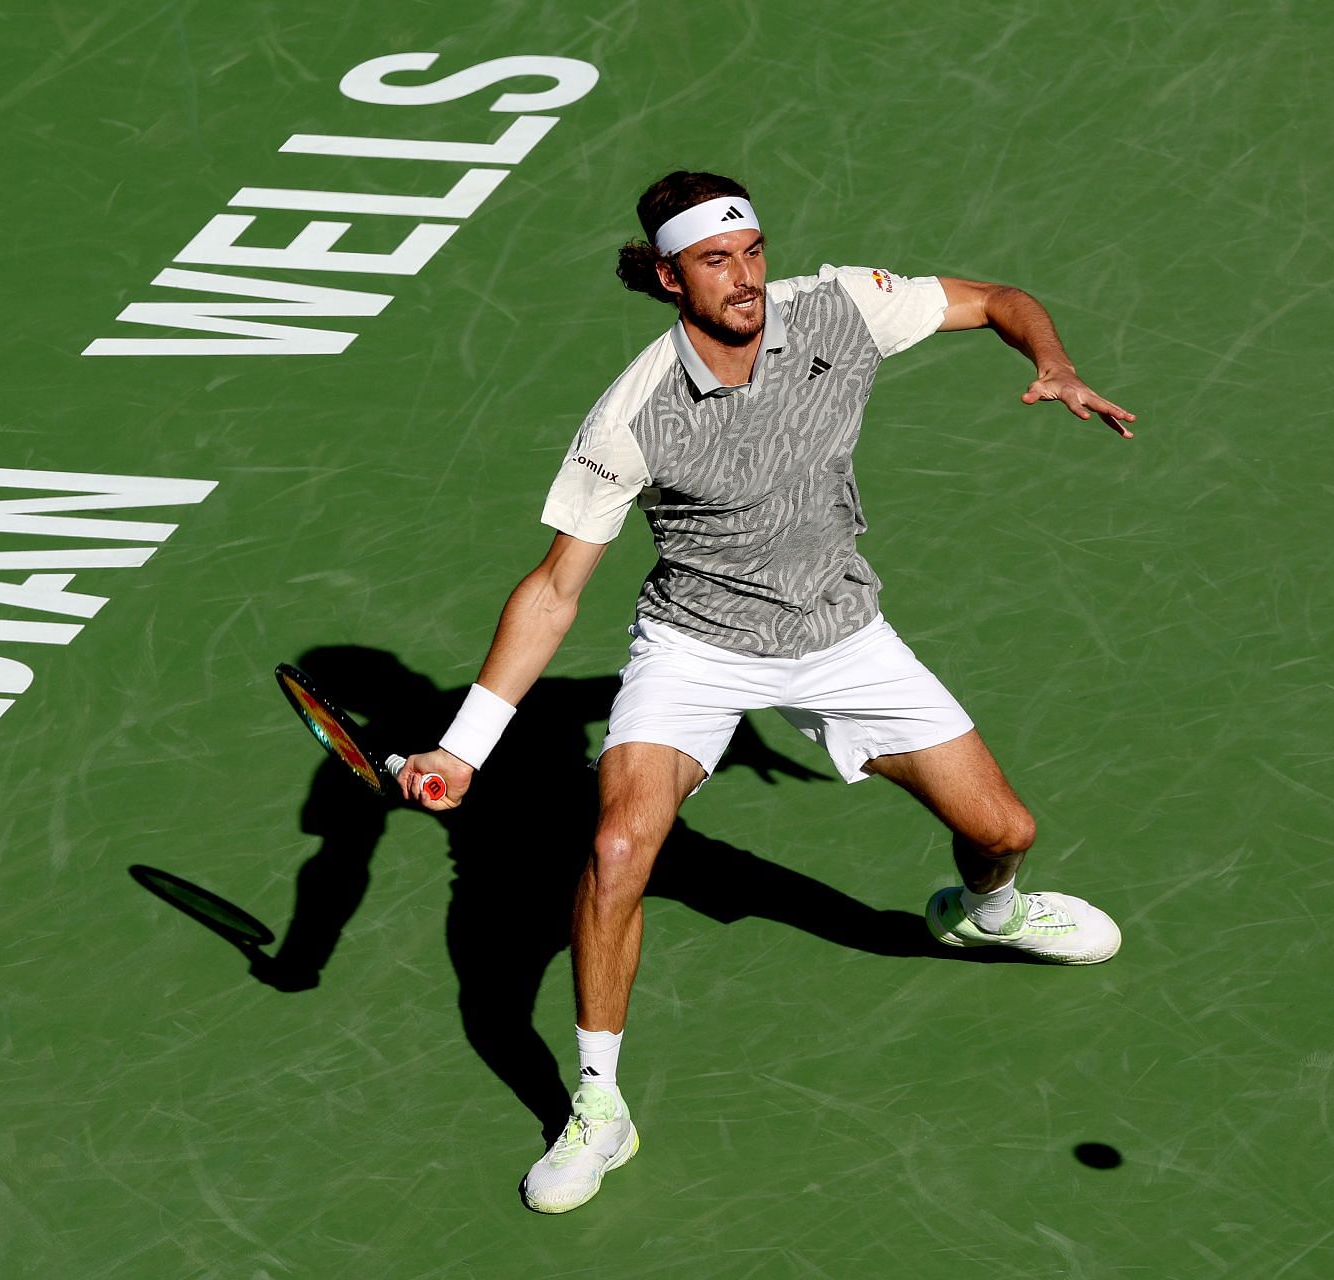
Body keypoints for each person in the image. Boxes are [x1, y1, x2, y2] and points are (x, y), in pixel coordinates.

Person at [399, 170, 1137, 1215]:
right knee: (617, 849)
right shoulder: (634, 412)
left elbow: (996, 300)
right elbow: (556, 589)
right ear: (667, 276)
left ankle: (984, 913)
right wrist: (465, 747)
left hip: (842, 630)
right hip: (699, 645)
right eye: (715, 261)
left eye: (752, 251)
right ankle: (599, 1104)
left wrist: (1052, 361)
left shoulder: (838, 308)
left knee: (1004, 827)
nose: (746, 279)